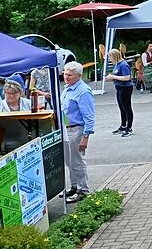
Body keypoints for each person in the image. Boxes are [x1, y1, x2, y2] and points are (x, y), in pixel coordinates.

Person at [61, 62, 95, 203]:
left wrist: (85, 137)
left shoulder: (83, 91)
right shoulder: (67, 88)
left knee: (77, 161)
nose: (66, 76)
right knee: (69, 161)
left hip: (77, 130)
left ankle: (83, 190)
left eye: (69, 75)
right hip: (66, 128)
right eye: (65, 73)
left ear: (79, 76)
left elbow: (89, 117)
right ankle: (74, 186)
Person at [105, 49, 135, 137]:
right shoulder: (117, 64)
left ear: (115, 56)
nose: (110, 59)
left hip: (125, 88)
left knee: (127, 108)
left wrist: (113, 76)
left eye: (110, 57)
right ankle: (123, 126)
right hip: (119, 88)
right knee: (122, 108)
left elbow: (127, 77)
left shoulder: (124, 64)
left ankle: (129, 128)